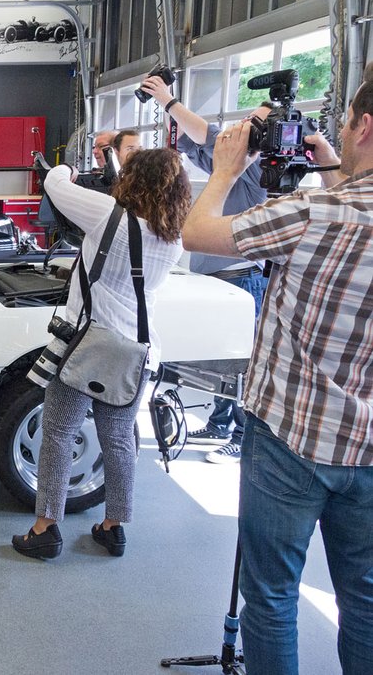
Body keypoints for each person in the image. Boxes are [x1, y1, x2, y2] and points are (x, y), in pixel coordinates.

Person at [180, 65, 373, 675]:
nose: (337, 135)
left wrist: (225, 170)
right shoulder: (329, 198)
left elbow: (197, 232)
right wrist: (338, 164)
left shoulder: (313, 210)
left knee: (271, 597)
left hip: (291, 435)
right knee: (365, 601)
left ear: (365, 126)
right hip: (367, 450)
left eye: (344, 124)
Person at [12, 148, 191, 560]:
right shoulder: (173, 238)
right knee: (120, 439)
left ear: (132, 179)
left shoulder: (108, 213)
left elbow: (55, 187)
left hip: (87, 346)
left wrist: (66, 167)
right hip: (135, 353)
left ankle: (46, 529)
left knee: (58, 432)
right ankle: (113, 528)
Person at [140, 74, 274, 463]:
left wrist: (168, 100)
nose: (244, 128)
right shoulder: (227, 167)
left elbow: (207, 135)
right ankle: (220, 424)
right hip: (213, 276)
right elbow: (197, 141)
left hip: (240, 279)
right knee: (218, 359)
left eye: (255, 125)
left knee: (241, 363)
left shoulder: (254, 167)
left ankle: (243, 437)